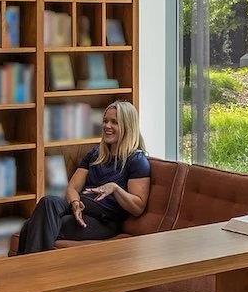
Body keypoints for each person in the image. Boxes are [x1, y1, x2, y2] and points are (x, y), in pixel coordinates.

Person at [15, 100, 153, 252]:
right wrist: (75, 202)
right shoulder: (95, 154)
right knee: (48, 201)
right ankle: (35, 271)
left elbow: (138, 207)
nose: (107, 126)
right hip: (79, 206)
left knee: (30, 226)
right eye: (105, 121)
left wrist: (114, 189)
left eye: (114, 122)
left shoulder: (136, 161)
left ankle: (32, 272)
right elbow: (73, 187)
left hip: (102, 220)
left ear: (128, 126)